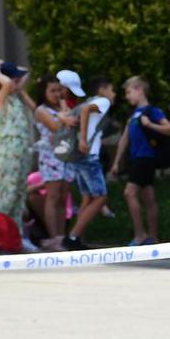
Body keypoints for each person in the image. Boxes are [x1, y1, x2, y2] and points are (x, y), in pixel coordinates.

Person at [110, 75, 170, 246]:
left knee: (129, 193)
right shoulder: (133, 115)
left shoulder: (151, 111)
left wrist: (150, 125)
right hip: (136, 158)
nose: (127, 96)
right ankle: (153, 238)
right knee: (148, 197)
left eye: (129, 92)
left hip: (145, 158)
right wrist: (116, 162)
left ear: (140, 90)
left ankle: (140, 234)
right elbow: (125, 138)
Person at [0, 60, 35, 250]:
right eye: (12, 78)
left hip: (22, 151)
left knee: (19, 194)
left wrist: (4, 66)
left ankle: (14, 239)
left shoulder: (16, 99)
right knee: (8, 193)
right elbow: (7, 84)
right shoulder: (1, 97)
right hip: (9, 150)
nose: (16, 82)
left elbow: (27, 72)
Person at [62, 76, 115, 250]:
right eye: (112, 90)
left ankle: (76, 237)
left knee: (87, 197)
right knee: (100, 197)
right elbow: (85, 111)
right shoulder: (103, 101)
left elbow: (72, 115)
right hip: (88, 155)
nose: (114, 94)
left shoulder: (90, 100)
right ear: (103, 89)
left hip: (78, 156)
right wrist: (83, 139)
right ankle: (73, 237)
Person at [32, 73, 77, 247]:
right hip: (51, 157)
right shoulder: (41, 110)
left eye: (59, 90)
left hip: (65, 154)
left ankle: (61, 235)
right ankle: (53, 236)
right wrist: (64, 119)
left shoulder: (61, 108)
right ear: (44, 92)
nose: (56, 94)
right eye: (52, 91)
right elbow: (55, 126)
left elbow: (70, 124)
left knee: (63, 196)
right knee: (53, 195)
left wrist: (64, 104)